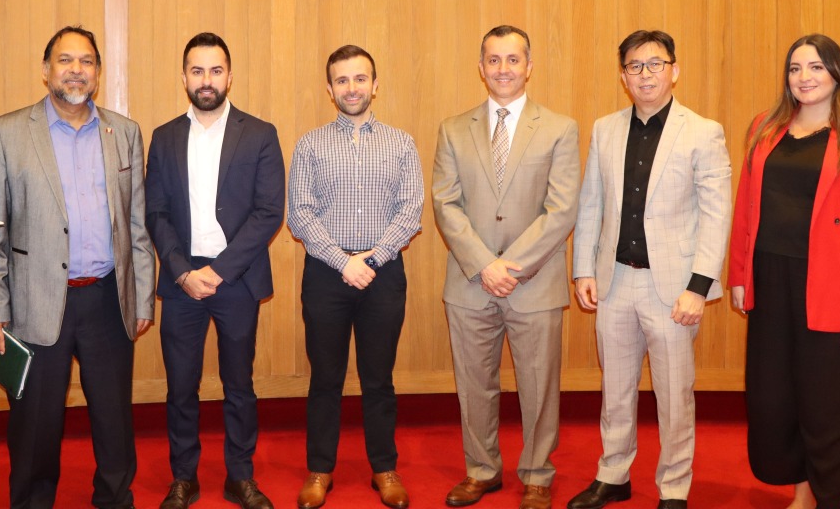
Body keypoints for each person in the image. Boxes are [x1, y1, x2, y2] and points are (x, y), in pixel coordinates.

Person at [0, 26, 156, 509]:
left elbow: (136, 224)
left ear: (98, 72)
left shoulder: (126, 132)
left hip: (108, 298)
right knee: (35, 422)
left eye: (87, 61)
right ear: (46, 69)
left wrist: (142, 295)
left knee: (114, 418)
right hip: (35, 299)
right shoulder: (7, 132)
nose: (76, 70)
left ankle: (115, 498)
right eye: (65, 60)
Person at [727, 34, 840, 509]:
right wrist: (740, 275)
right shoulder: (765, 127)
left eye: (817, 67)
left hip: (834, 291)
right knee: (776, 398)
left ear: (837, 73)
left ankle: (828, 497)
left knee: (829, 404)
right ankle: (801, 491)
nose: (804, 77)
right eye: (795, 68)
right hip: (773, 284)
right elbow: (747, 208)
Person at [568, 30, 732, 509]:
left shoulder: (703, 131)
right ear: (623, 76)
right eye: (635, 66)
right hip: (615, 280)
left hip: (674, 289)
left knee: (673, 396)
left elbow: (716, 214)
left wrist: (698, 287)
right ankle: (613, 475)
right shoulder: (605, 128)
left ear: (674, 70)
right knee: (615, 390)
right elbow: (591, 204)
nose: (645, 74)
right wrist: (583, 270)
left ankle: (674, 488)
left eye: (655, 64)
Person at [432, 25, 581, 509]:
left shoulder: (559, 128)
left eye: (512, 60)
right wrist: (483, 265)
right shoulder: (454, 129)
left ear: (529, 66)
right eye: (493, 60)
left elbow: (561, 211)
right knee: (474, 384)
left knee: (539, 385)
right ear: (481, 68)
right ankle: (482, 469)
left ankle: (538, 473)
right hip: (470, 283)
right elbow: (445, 204)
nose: (503, 69)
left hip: (533, 282)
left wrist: (509, 266)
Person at [145, 32, 285, 509]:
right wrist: (184, 273)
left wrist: (219, 272)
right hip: (183, 281)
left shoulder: (260, 133)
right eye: (198, 70)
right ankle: (183, 477)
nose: (207, 80)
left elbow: (269, 212)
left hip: (237, 280)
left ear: (230, 75)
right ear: (184, 76)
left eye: (216, 70)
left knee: (239, 385)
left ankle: (239, 477)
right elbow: (155, 213)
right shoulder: (164, 137)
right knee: (180, 385)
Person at [287, 45, 424, 509]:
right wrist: (343, 261)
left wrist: (373, 258)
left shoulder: (401, 143)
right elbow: (300, 215)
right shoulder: (309, 144)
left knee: (378, 378)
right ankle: (319, 470)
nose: (351, 88)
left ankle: (384, 468)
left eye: (360, 78)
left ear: (375, 84)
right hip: (326, 273)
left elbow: (411, 210)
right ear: (330, 89)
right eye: (342, 81)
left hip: (383, 274)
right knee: (325, 377)